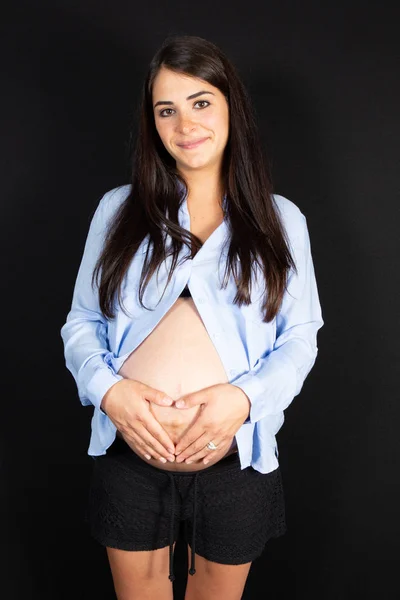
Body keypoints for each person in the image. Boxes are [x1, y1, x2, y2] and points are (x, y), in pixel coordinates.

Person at [60, 34, 324, 600]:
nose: (185, 124)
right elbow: (81, 322)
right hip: (130, 454)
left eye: (201, 102)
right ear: (153, 123)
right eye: (166, 109)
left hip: (236, 457)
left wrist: (244, 400)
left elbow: (301, 338)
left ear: (231, 107)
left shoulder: (282, 221)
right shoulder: (117, 211)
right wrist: (109, 392)